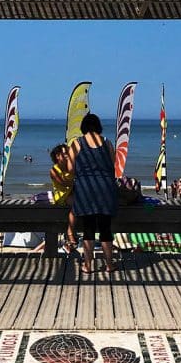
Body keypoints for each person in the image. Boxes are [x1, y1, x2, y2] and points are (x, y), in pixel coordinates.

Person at [66, 113, 118, 274]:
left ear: (83, 127)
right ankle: (109, 265)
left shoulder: (77, 143)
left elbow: (69, 168)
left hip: (85, 189)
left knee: (88, 228)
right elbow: (113, 164)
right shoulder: (107, 142)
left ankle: (88, 266)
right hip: (106, 189)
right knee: (105, 228)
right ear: (98, 126)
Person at [33, 144, 78, 254]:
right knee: (75, 205)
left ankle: (72, 237)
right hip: (62, 195)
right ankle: (70, 233)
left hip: (72, 192)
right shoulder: (54, 170)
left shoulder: (71, 166)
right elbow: (64, 183)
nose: (68, 155)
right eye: (65, 153)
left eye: (68, 153)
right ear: (58, 156)